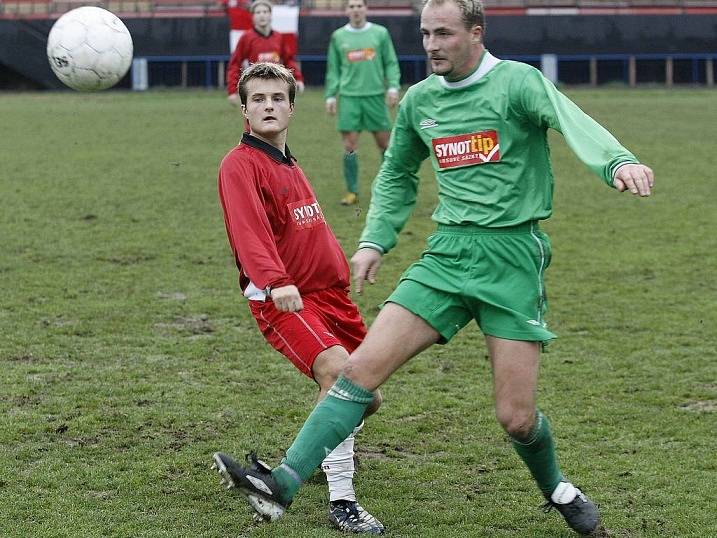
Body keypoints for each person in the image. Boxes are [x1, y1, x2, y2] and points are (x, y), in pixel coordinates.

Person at [215, 0, 655, 535]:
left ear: (476, 32)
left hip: (512, 258)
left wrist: (617, 160)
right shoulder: (422, 100)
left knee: (516, 417)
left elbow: (571, 119)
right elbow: (398, 172)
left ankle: (558, 489)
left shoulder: (518, 83)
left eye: (443, 34)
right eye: (424, 34)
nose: (430, 45)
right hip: (445, 257)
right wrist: (375, 239)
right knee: (355, 373)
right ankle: (280, 484)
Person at [212, 62, 384, 535]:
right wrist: (274, 279)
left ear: (291, 107)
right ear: (244, 108)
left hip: (330, 296)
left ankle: (317, 451)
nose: (268, 105)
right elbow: (249, 232)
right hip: (285, 297)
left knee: (367, 398)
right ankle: (342, 502)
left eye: (276, 98)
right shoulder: (239, 164)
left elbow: (306, 229)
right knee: (340, 376)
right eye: (258, 99)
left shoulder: (287, 161)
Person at [324, 0, 401, 206]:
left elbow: (390, 62)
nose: (356, 10)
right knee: (349, 146)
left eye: (359, 5)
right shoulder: (338, 36)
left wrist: (393, 86)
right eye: (352, 6)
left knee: (385, 145)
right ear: (347, 10)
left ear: (366, 8)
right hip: (349, 98)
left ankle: (390, 189)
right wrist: (331, 95)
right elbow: (334, 69)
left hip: (375, 96)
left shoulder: (380, 33)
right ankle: (352, 191)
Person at [226, 0, 305, 108]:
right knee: (254, 123)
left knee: (277, 122)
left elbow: (289, 60)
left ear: (270, 15)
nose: (262, 15)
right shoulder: (246, 38)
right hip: (254, 88)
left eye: (265, 12)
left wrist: (298, 78)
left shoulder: (279, 37)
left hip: (277, 87)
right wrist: (232, 90)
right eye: (258, 12)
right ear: (252, 16)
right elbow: (235, 64)